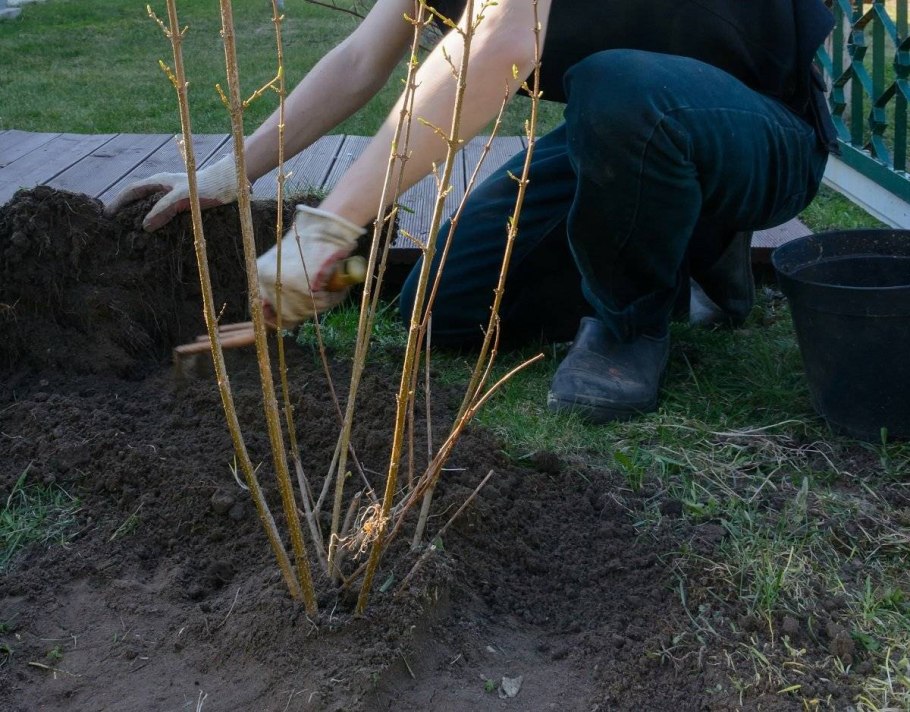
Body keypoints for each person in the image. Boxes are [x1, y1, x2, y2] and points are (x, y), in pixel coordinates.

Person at [106, 0, 837, 423]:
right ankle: (684, 251)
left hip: (758, 126)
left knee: (615, 85)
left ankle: (632, 325)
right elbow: (360, 61)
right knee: (441, 309)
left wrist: (327, 233)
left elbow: (499, 44)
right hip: (622, 133)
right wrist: (229, 174)